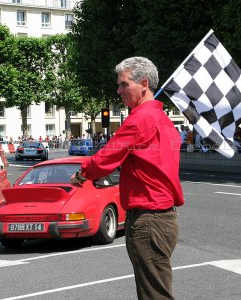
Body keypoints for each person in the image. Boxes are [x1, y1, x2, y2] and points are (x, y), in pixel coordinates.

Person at [70, 56, 184, 300]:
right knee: (155, 290)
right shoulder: (164, 120)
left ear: (143, 84)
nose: (118, 90)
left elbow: (106, 157)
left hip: (148, 219)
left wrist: (82, 174)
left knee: (154, 295)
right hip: (162, 218)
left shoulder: (140, 119)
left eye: (124, 84)